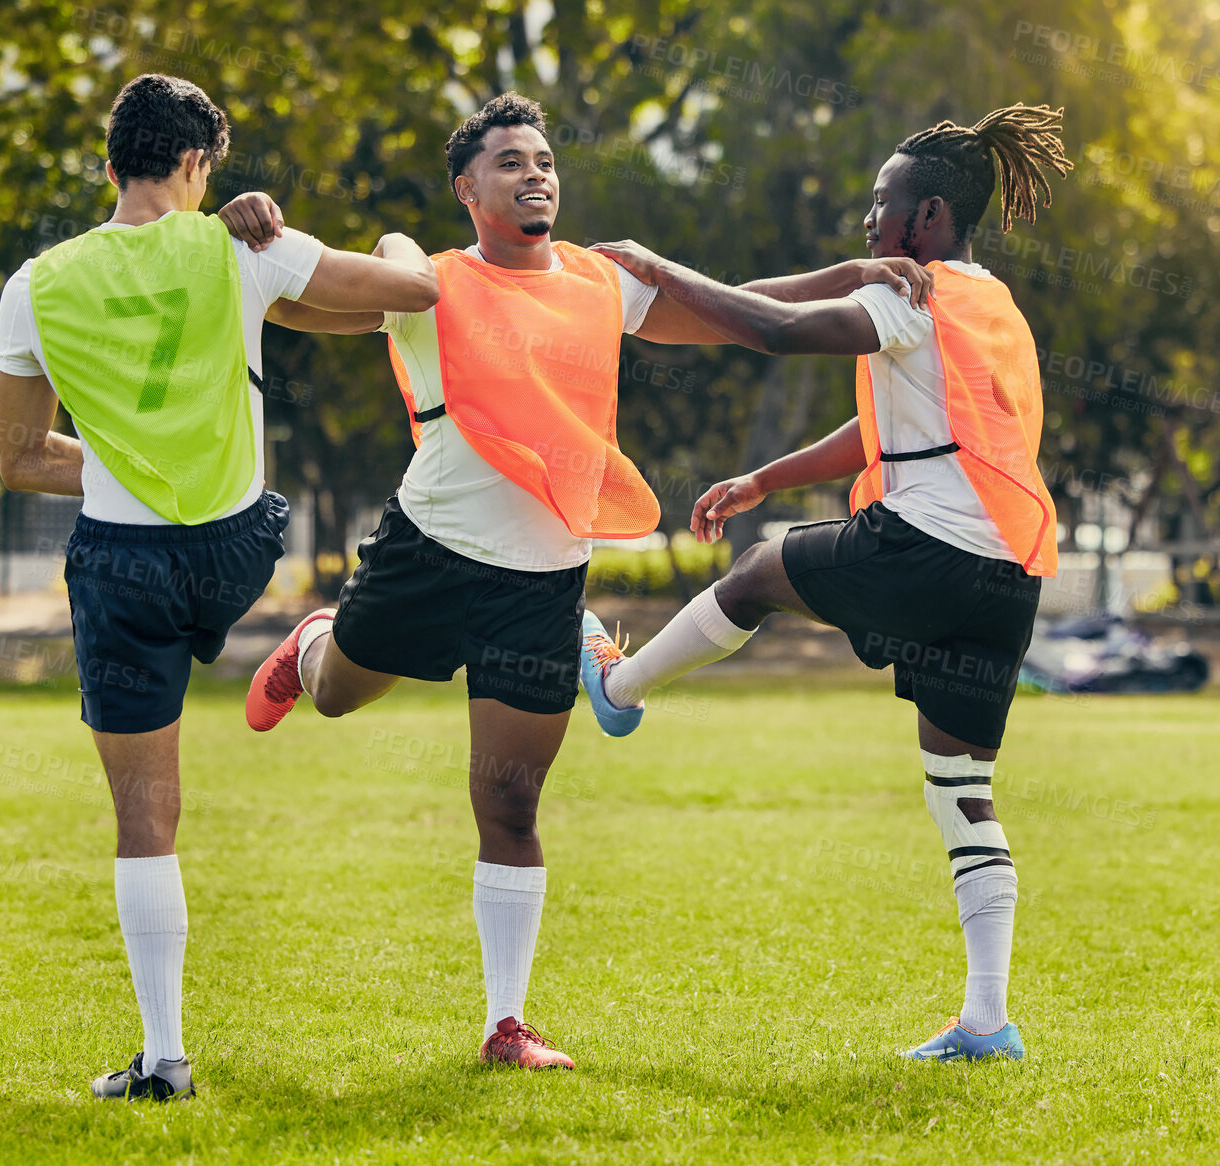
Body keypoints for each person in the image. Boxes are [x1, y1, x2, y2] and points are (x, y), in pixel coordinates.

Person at [242, 92, 933, 1069]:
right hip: (426, 555)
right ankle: (313, 639)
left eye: (544, 161)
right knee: (337, 695)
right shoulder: (426, 283)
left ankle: (504, 1022)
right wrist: (257, 242)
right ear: (467, 189)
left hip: (543, 576)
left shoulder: (597, 280)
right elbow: (294, 300)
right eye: (510, 162)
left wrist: (854, 272)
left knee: (511, 805)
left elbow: (739, 303)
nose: (535, 174)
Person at [580, 104, 1073, 1062]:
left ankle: (617, 689)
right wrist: (767, 477)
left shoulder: (910, 291)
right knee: (960, 788)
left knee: (762, 570)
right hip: (1008, 579)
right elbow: (885, 429)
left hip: (927, 549)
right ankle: (986, 1022)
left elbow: (772, 328)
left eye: (880, 203)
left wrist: (653, 263)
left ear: (927, 216)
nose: (867, 220)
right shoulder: (990, 305)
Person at [0, 73, 439, 1101]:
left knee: (146, 817)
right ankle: (313, 643)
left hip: (120, 565)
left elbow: (17, 457)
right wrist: (389, 249)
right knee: (286, 354)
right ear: (198, 164)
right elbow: (412, 297)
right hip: (237, 552)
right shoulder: (241, 248)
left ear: (111, 165)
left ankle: (165, 1057)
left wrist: (114, 459)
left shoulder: (35, 284)